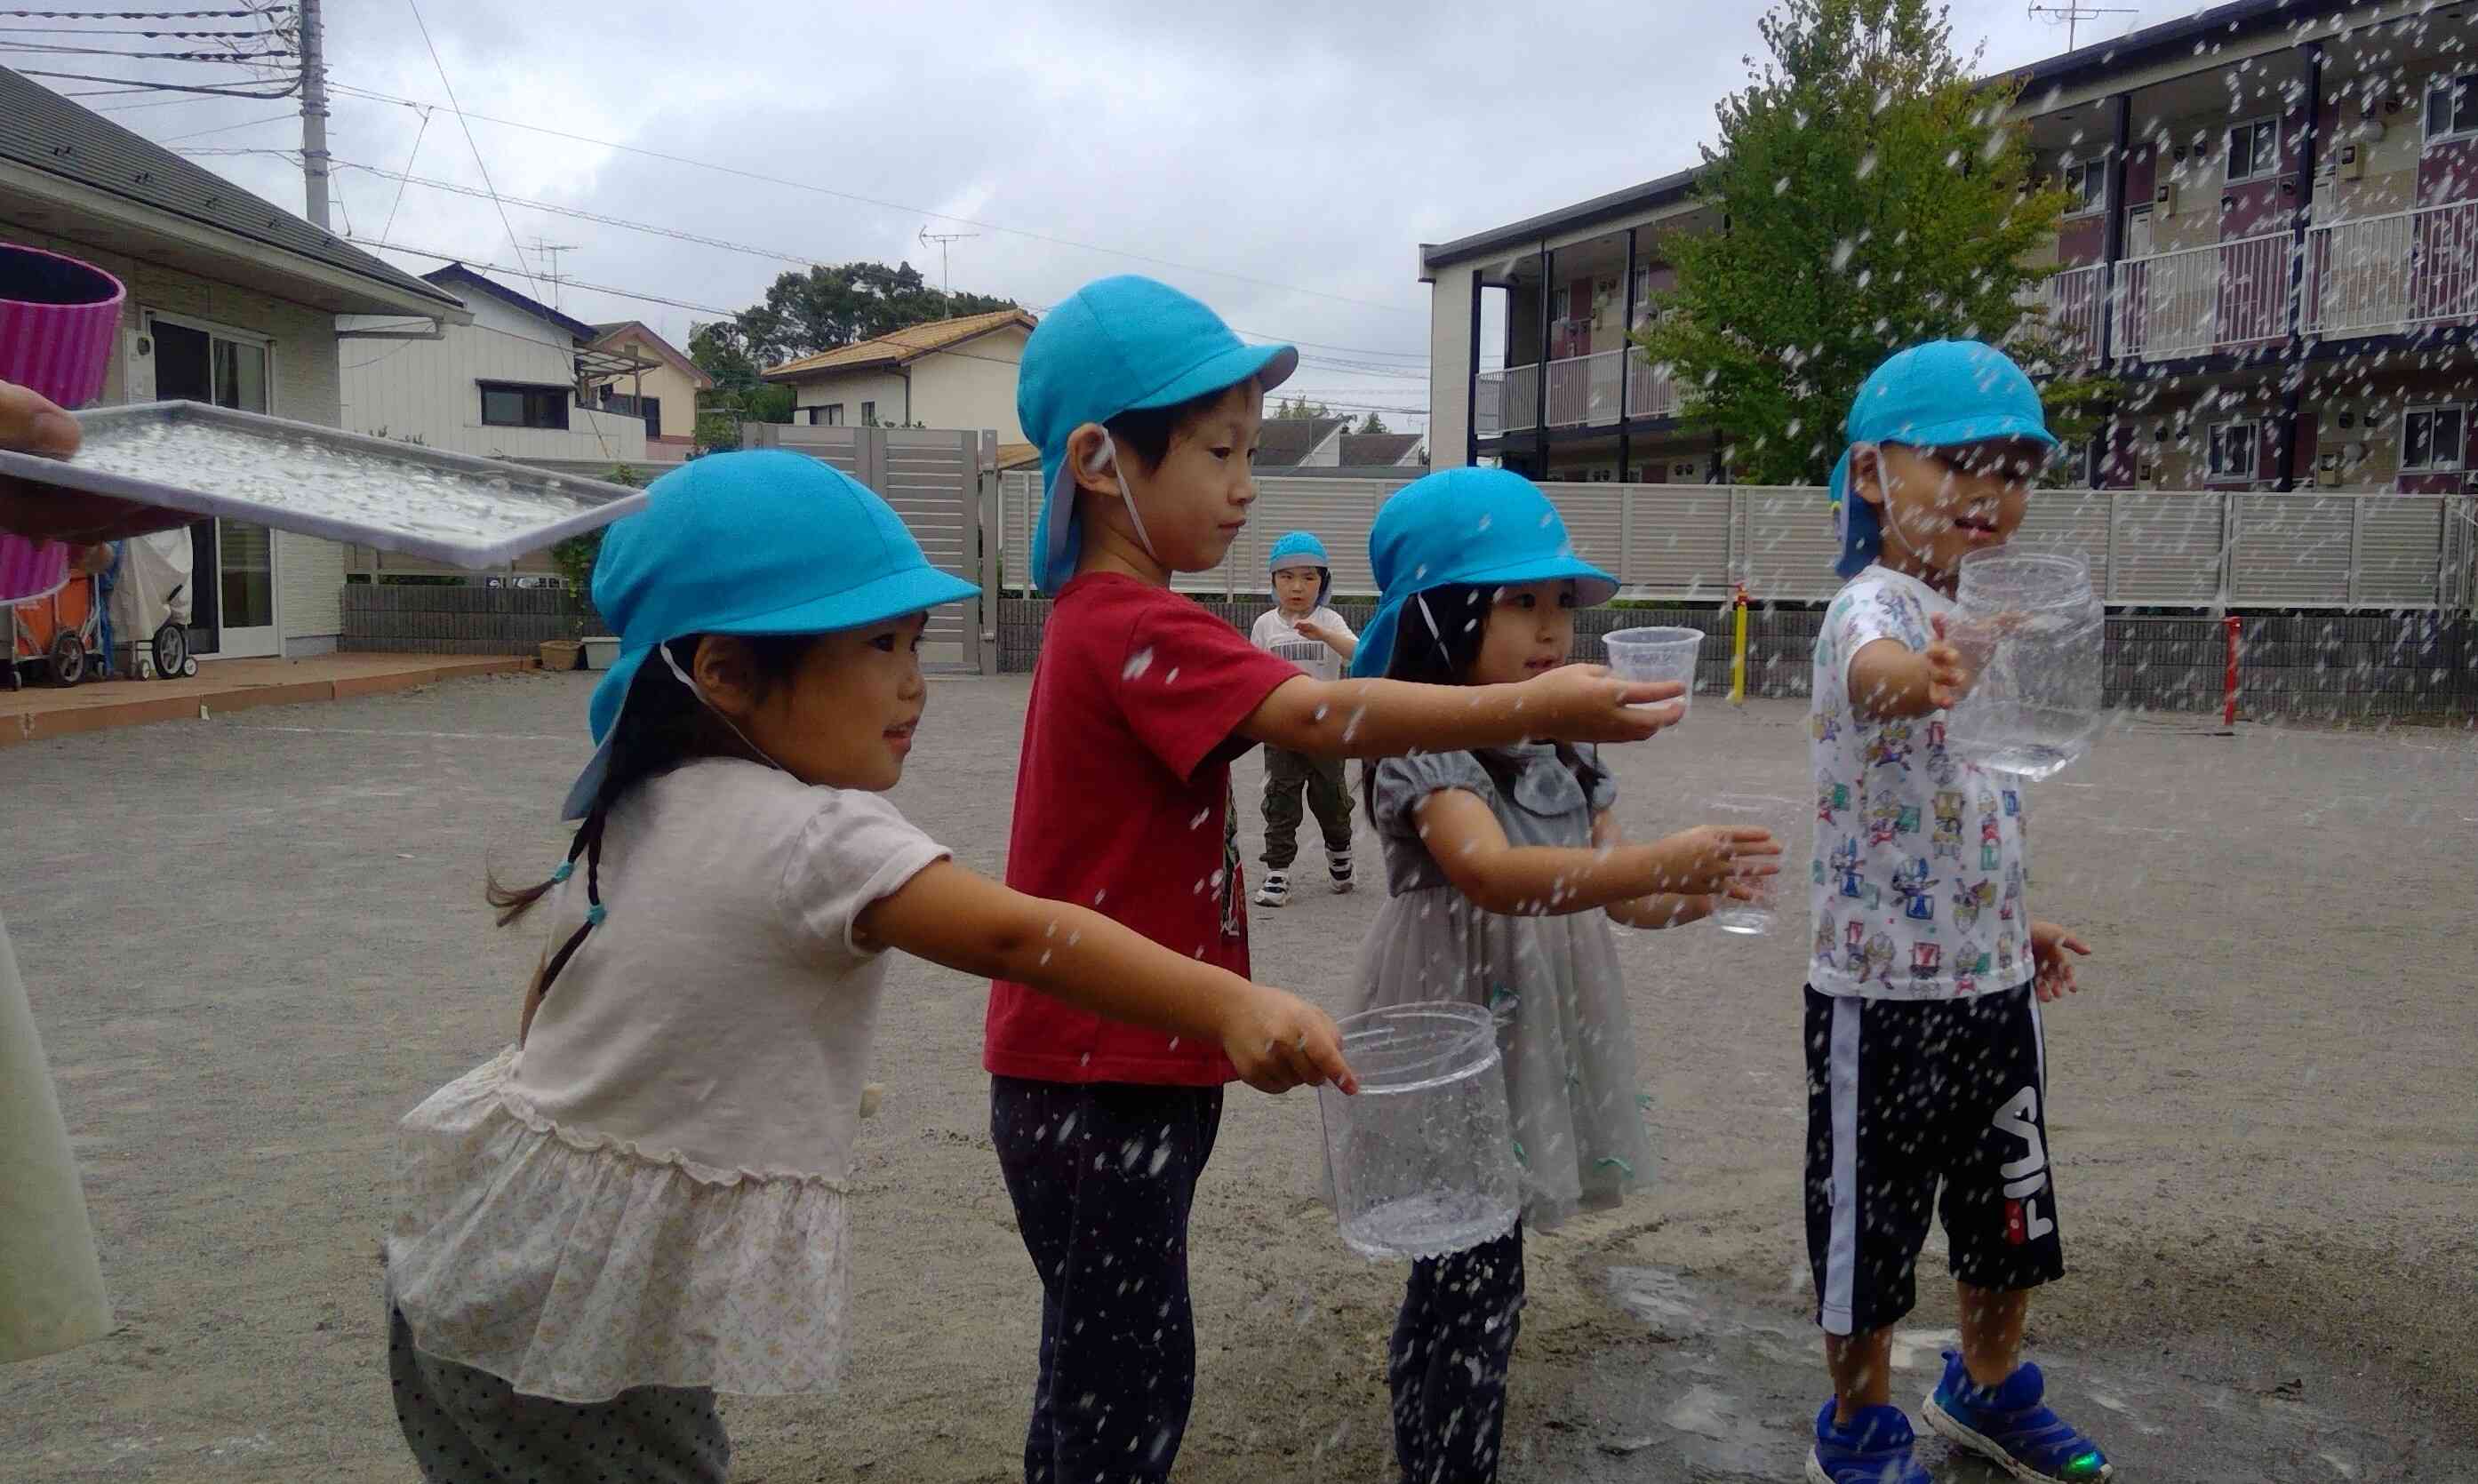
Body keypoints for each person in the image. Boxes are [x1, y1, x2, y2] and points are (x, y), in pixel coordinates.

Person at [382, 451, 1355, 1484]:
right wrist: (1231, 1000)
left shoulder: (641, 797)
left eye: (916, 643)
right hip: (576, 1317)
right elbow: (1017, 936)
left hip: (480, 1253)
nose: (912, 682)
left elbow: (557, 992)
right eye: (878, 643)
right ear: (724, 672)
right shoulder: (817, 833)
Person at [988, 275, 1681, 1484]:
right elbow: (1318, 708)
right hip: (1099, 1067)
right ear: (1102, 461)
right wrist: (1527, 700)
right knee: (1125, 1379)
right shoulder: (1122, 622)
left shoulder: (1128, 617)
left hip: (1127, 1054)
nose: (1247, 483)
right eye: (1221, 450)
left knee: (1118, 1362)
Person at [1347, 467, 1783, 1484]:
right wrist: (1646, 863)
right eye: (1519, 603)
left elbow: (1623, 896)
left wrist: (1699, 886)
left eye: (1560, 607)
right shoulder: (1423, 741)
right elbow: (1490, 873)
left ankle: (1454, 1445)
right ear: (1445, 619)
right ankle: (1442, 1456)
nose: (1551, 629)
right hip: (1452, 1023)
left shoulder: (1566, 751)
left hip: (1533, 1023)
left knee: (1489, 1264)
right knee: (1465, 1261)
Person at [1803, 341, 2109, 1484]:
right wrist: (1924, 672)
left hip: (1989, 983)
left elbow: (1972, 797)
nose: (1990, 492)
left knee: (2007, 1215)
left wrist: (2012, 922)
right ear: (1873, 475)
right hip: (1875, 997)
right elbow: (1873, 674)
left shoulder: (1977, 605)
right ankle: (1858, 1421)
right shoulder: (1871, 607)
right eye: (1960, 464)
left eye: (2014, 470)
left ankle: (1984, 1387)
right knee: (1867, 1235)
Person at [1249, 530, 1358, 906]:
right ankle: (1277, 873)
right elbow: (1251, 674)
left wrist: (1324, 634)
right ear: (1274, 582)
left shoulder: (1330, 619)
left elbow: (1356, 653)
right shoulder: (1265, 625)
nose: (1297, 587)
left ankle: (1340, 852)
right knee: (1281, 800)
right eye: (1287, 577)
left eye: (1309, 577)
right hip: (1281, 731)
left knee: (1331, 800)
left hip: (1326, 730)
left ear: (1323, 583)